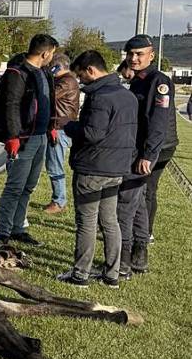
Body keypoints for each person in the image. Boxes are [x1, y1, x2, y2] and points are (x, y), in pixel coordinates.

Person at [56, 51, 138, 288]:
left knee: (87, 222)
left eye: (81, 75)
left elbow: (93, 133)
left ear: (91, 70)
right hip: (117, 169)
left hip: (93, 168)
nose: (80, 81)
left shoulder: (100, 97)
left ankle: (80, 274)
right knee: (110, 221)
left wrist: (68, 125)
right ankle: (112, 274)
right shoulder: (127, 95)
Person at [0, 34, 59, 247]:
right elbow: (11, 106)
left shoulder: (44, 72)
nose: (52, 58)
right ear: (45, 53)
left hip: (40, 137)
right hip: (23, 139)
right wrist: (12, 137)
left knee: (29, 186)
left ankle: (18, 227)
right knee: (15, 187)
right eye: (52, 54)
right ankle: (3, 233)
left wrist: (52, 126)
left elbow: (50, 101)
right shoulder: (17, 73)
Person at [116, 34, 179, 275]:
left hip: (155, 148)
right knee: (141, 198)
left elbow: (158, 122)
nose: (134, 58)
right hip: (148, 147)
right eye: (130, 54)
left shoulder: (157, 81)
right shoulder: (139, 80)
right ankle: (139, 255)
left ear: (151, 55)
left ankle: (126, 256)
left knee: (132, 198)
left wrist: (148, 155)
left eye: (139, 54)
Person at [44, 53, 79, 214]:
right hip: (58, 126)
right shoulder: (65, 80)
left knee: (54, 165)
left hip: (59, 128)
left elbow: (48, 95)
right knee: (53, 164)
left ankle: (59, 200)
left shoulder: (66, 81)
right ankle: (58, 199)